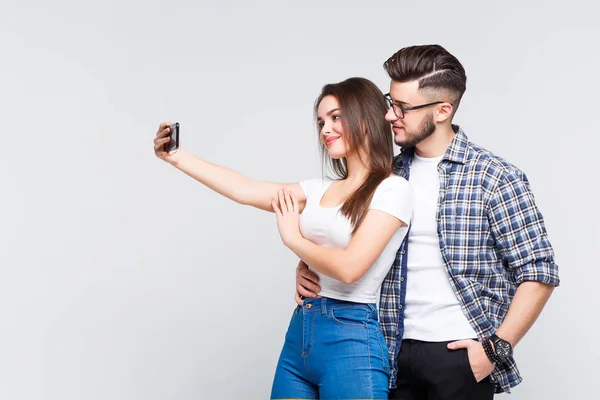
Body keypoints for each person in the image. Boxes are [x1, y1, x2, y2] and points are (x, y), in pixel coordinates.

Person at [295, 45, 560, 399]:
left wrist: (495, 349)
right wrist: (307, 264)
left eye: (403, 108)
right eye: (391, 103)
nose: (390, 116)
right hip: (387, 350)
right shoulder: (383, 176)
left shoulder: (494, 177)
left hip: (458, 356)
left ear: (442, 110)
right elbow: (346, 241)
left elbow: (538, 270)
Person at [152, 77, 415, 399]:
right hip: (302, 333)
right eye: (321, 122)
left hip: (352, 337)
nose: (325, 130)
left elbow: (350, 268)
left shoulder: (393, 189)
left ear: (366, 117)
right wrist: (176, 156)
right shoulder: (317, 190)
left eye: (335, 117)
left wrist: (294, 240)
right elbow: (246, 190)